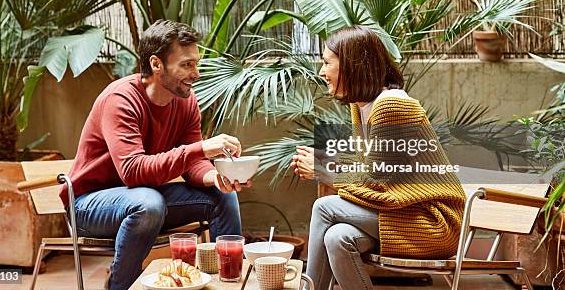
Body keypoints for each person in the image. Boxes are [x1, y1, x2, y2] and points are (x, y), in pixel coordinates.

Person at [59, 20, 251, 290]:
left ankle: (227, 285)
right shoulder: (121, 99)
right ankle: (120, 286)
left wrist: (215, 176)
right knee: (148, 203)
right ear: (156, 64)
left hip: (146, 199)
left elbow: (193, 162)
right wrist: (201, 148)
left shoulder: (185, 101)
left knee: (223, 195)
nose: (195, 73)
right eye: (186, 65)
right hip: (88, 206)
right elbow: (133, 171)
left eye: (196, 63)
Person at [291, 26, 465, 290]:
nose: (321, 72)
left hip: (432, 221)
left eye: (327, 63)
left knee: (324, 207)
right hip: (401, 214)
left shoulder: (391, 104)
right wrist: (325, 162)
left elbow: (376, 181)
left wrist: (323, 171)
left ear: (351, 65)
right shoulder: (361, 107)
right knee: (338, 237)